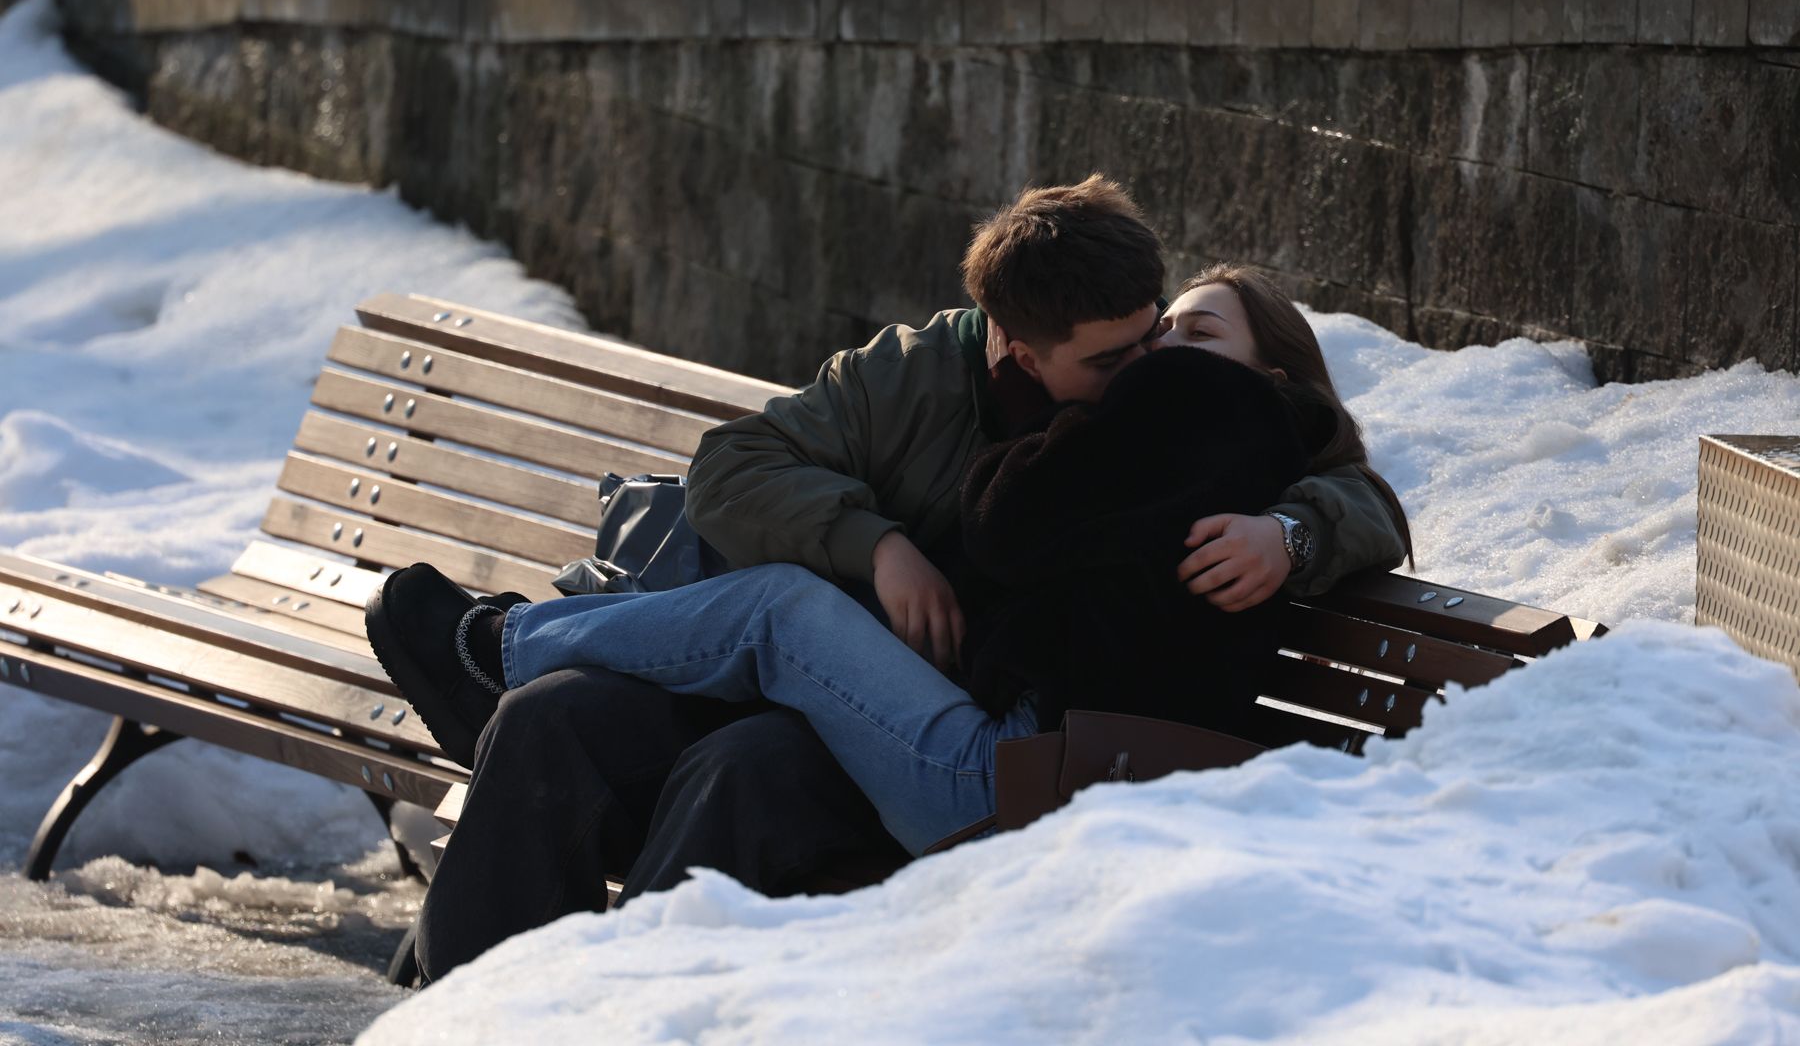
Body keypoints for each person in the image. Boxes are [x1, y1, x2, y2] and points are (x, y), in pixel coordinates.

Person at [385, 178, 1407, 978]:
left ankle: (628, 1006)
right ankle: (461, 1011)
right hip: (860, 687)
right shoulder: (920, 376)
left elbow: (1353, 487)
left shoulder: (1191, 417)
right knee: (549, 721)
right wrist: (877, 544)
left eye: (1163, 336)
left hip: (939, 738)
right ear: (1020, 350)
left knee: (744, 764)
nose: (1148, 365)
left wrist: (1292, 535)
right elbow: (732, 469)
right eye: (1117, 359)